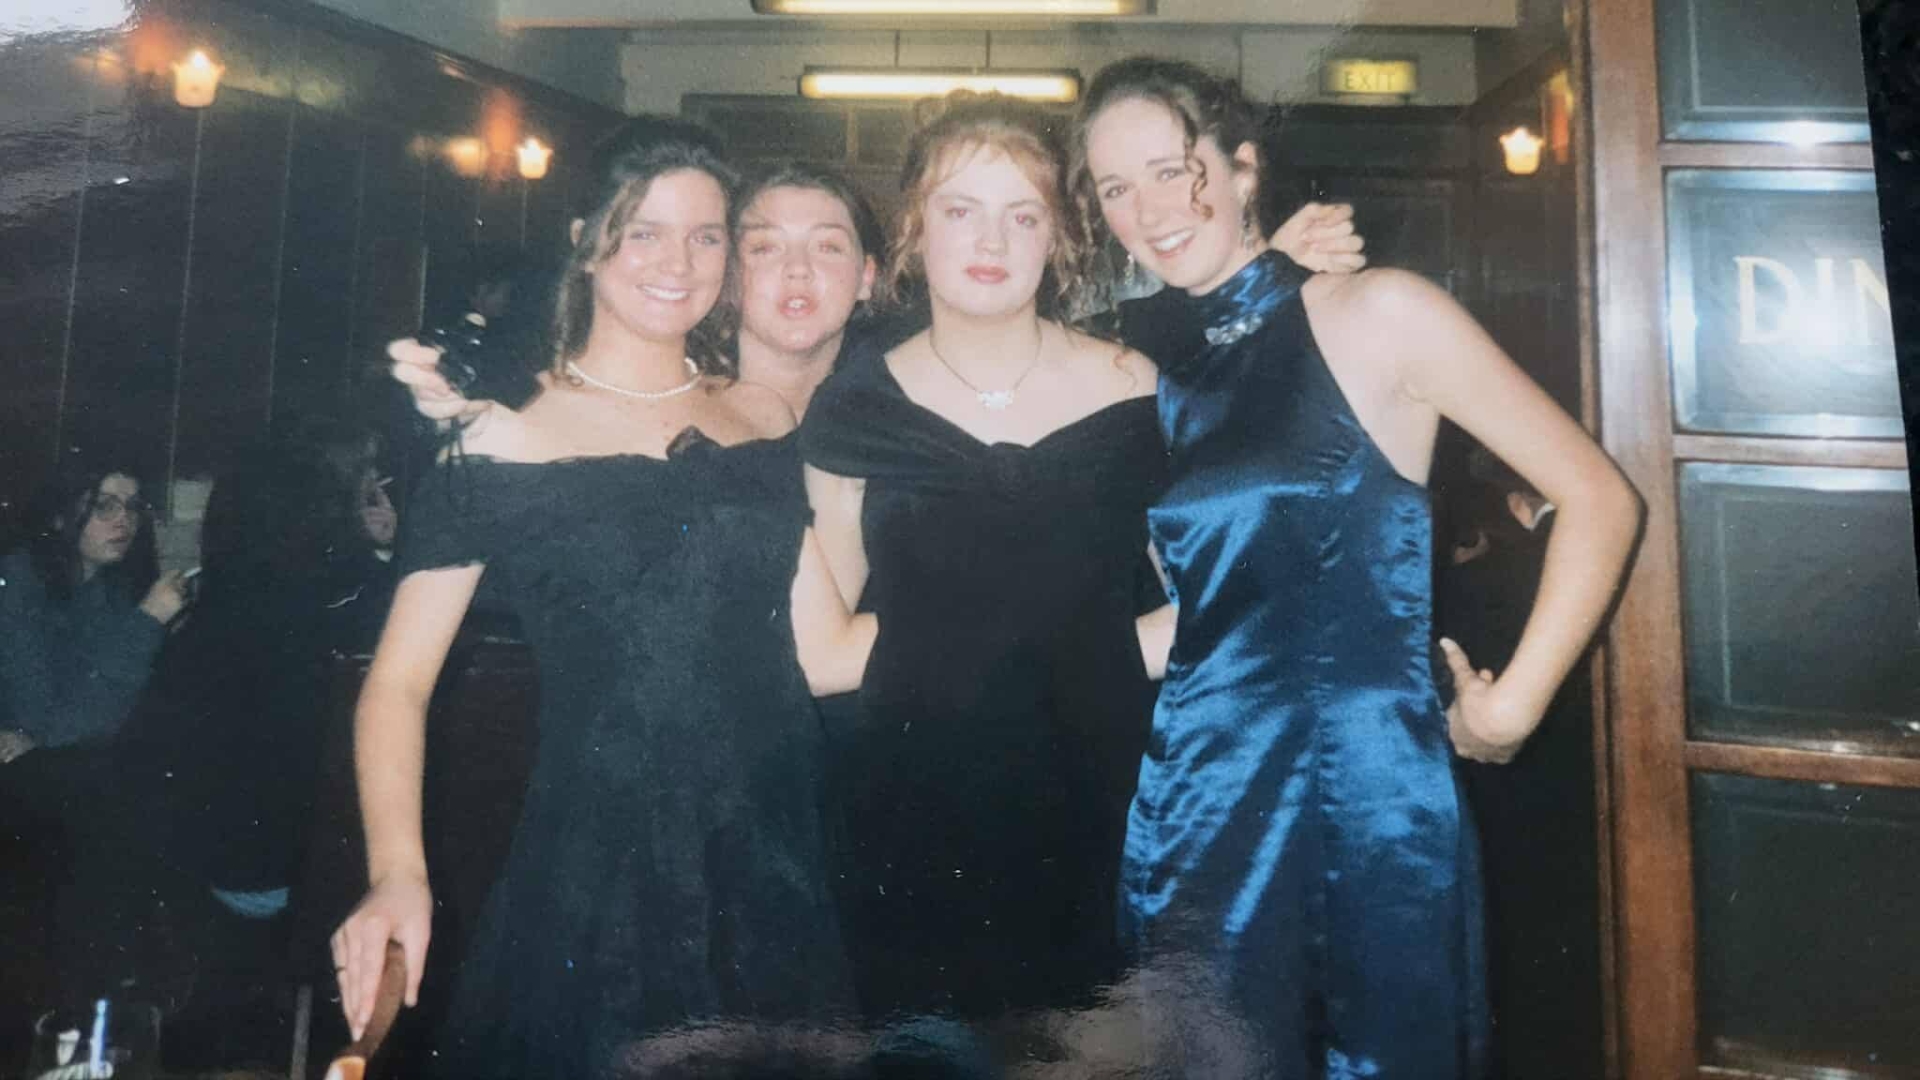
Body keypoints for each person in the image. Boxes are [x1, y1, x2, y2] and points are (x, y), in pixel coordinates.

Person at [1071, 56, 1641, 1077]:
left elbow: (1600, 496)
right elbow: (1217, 607)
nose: (1146, 210)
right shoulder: (1165, 368)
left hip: (1355, 796)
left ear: (1243, 167)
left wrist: (1511, 707)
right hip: (1192, 799)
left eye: (1172, 170)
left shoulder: (1379, 312)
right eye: (1116, 187)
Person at [330, 115, 876, 1080]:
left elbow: (822, 645)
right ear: (587, 241)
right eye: (644, 231)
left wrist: (1037, 615)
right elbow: (399, 683)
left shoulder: (760, 417)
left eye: (706, 236)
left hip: (773, 861)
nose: (679, 262)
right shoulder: (496, 433)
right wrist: (396, 872)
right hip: (602, 862)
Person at [0, 462, 187, 761]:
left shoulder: (112, 587)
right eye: (104, 506)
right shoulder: (16, 584)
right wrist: (148, 620)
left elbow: (114, 711)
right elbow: (49, 726)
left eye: (132, 506)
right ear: (60, 517)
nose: (124, 520)